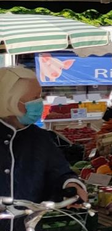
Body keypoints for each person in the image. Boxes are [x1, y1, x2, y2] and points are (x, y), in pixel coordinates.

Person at [0, 67, 87, 211]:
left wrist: (72, 185)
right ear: (10, 101)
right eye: (34, 98)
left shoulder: (40, 138)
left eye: (39, 96)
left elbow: (59, 172)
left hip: (26, 227)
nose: (39, 102)